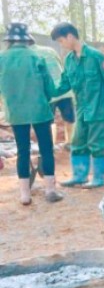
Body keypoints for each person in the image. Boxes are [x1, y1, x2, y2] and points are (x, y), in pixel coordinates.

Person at [50, 22, 104, 188]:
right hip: (82, 110)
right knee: (78, 142)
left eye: (61, 41)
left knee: (98, 144)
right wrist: (47, 89)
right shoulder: (69, 60)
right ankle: (79, 175)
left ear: (70, 36)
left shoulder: (95, 56)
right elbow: (64, 85)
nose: (61, 45)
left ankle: (99, 178)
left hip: (99, 109)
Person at [0, 22, 61, 205]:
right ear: (28, 40)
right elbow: (50, 89)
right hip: (40, 111)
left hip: (16, 113)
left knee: (22, 151)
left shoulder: (2, 59)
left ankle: (25, 195)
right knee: (46, 149)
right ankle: (50, 190)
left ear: (9, 40)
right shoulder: (36, 57)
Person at [32, 43, 74, 148]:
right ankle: (71, 143)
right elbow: (61, 65)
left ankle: (50, 145)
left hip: (48, 92)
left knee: (48, 120)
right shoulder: (49, 50)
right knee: (69, 118)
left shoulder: (29, 55)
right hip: (64, 89)